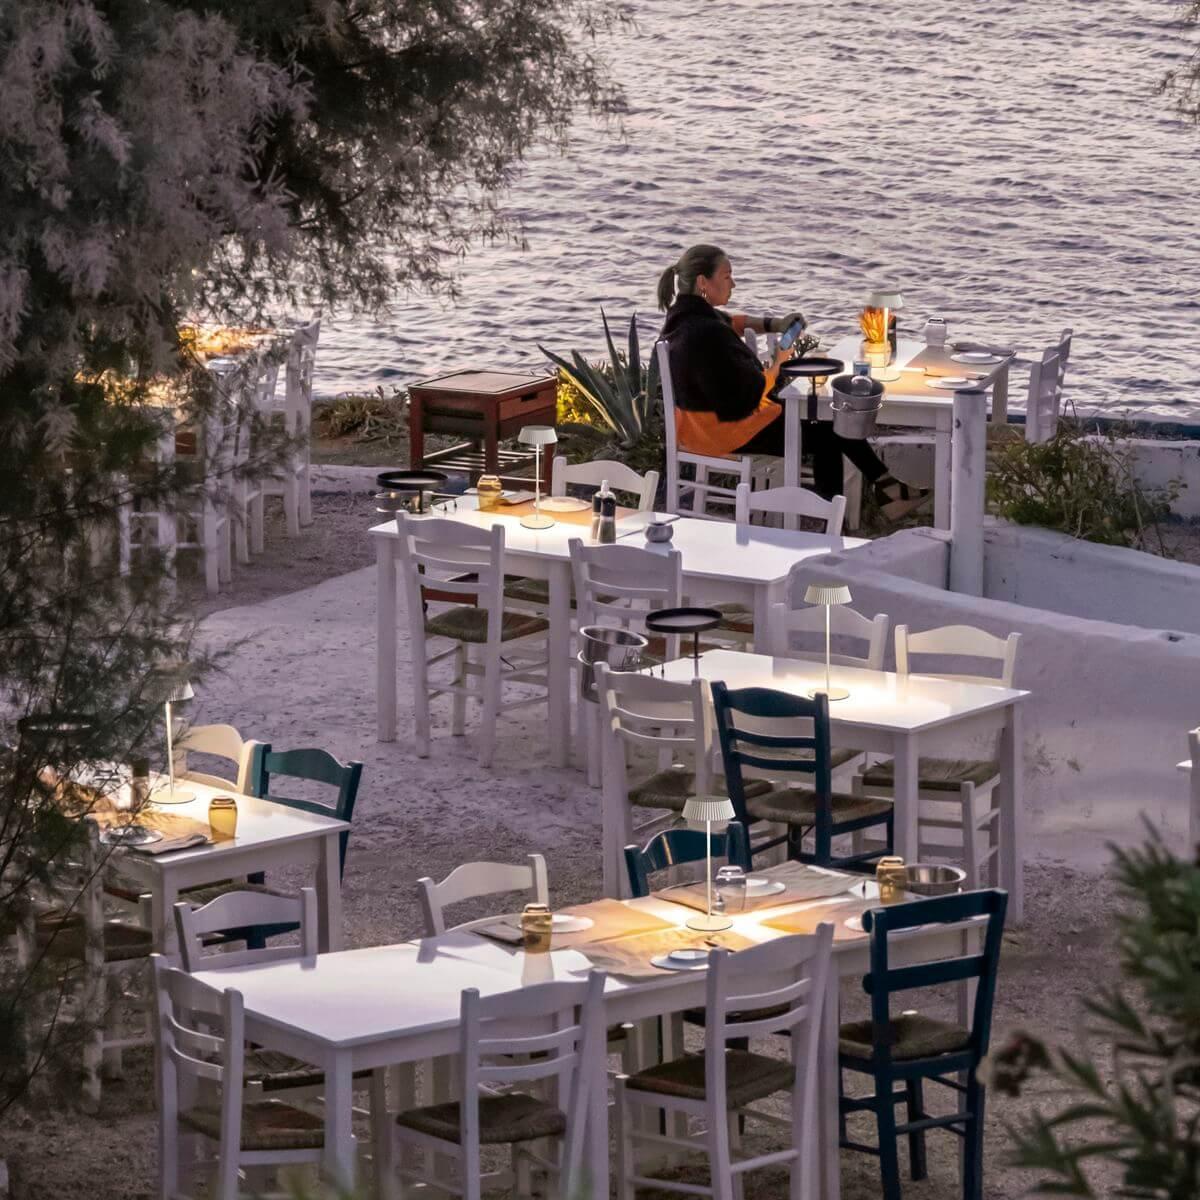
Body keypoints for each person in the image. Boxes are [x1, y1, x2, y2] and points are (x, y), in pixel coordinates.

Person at [656, 243, 924, 514]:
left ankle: (884, 491)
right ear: (703, 282)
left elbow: (733, 322)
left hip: (696, 427)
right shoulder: (708, 333)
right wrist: (781, 360)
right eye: (727, 276)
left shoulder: (684, 318)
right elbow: (753, 392)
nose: (733, 284)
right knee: (830, 431)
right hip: (725, 432)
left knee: (828, 425)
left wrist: (776, 324)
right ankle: (834, 515)